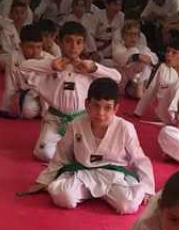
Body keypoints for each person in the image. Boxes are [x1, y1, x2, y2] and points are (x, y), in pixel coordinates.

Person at [22, 78, 154, 214]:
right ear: (87, 104)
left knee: (128, 205)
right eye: (96, 105)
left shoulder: (125, 128)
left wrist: (148, 190)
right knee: (64, 197)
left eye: (107, 107)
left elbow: (140, 159)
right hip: (84, 174)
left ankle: (106, 193)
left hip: (114, 177)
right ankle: (85, 192)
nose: (100, 113)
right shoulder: (76, 125)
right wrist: (44, 180)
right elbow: (61, 156)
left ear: (116, 108)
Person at [19, 21, 120, 162]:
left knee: (98, 154)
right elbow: (23, 67)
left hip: (82, 120)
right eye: (68, 41)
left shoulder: (89, 68)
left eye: (79, 42)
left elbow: (117, 77)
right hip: (55, 120)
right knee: (44, 152)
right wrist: (51, 65)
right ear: (59, 42)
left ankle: (72, 150)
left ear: (84, 45)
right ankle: (70, 151)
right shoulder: (51, 65)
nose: (73, 47)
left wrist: (94, 68)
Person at [135, 39, 179, 124]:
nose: (169, 54)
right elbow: (151, 90)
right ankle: (174, 116)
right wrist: (138, 112)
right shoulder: (163, 68)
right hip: (164, 111)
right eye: (168, 51)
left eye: (174, 53)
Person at [0, 24, 49, 119]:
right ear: (21, 45)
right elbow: (10, 86)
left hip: (48, 94)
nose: (35, 51)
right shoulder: (14, 59)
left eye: (39, 47)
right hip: (30, 93)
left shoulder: (48, 59)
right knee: (28, 112)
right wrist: (4, 109)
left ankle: (47, 112)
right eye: (30, 47)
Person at [111, 19, 157, 99]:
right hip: (124, 82)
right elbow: (120, 58)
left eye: (135, 34)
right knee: (136, 57)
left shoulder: (142, 48)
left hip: (140, 82)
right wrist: (137, 56)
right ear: (124, 36)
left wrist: (144, 59)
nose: (132, 37)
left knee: (145, 63)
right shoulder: (119, 48)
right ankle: (139, 89)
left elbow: (154, 59)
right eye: (129, 34)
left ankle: (141, 87)